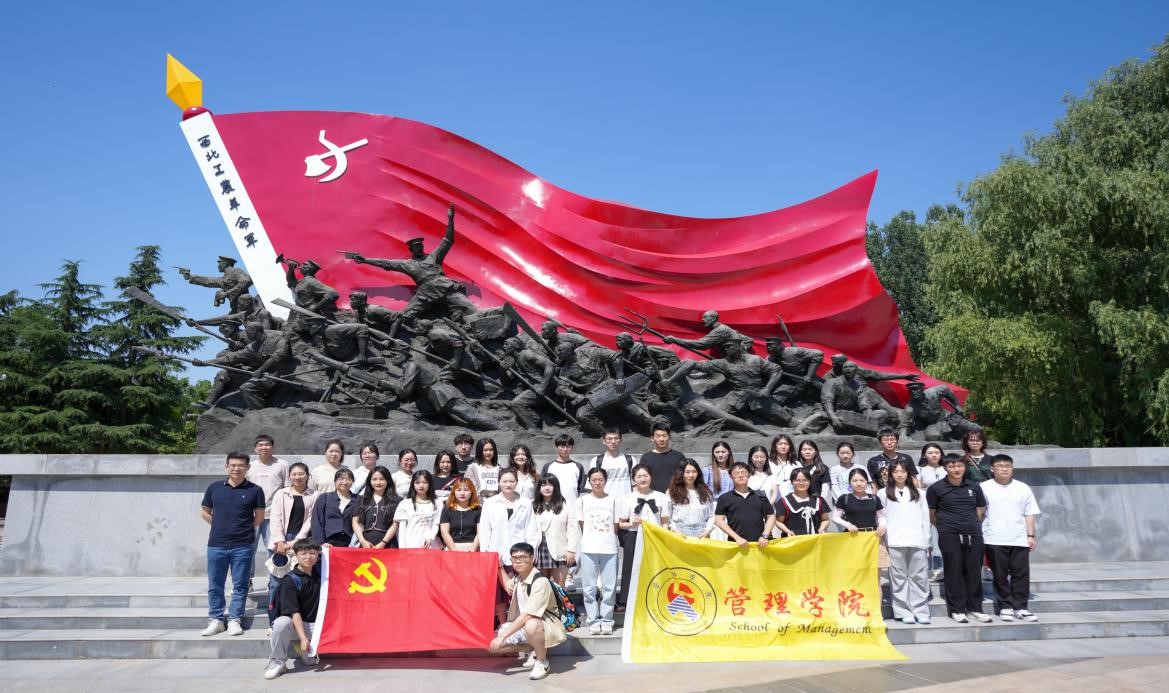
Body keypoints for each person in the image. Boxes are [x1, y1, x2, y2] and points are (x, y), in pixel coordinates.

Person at [200, 452, 265, 637]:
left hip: (243, 545)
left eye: (241, 465)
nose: (237, 468)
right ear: (226, 467)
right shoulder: (214, 488)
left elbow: (259, 516)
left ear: (248, 468)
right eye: (233, 465)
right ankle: (216, 619)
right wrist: (218, 525)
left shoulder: (255, 490)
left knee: (240, 585)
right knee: (215, 584)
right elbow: (204, 511)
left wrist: (245, 528)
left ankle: (235, 619)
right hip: (216, 544)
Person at [488, 542, 568, 681]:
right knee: (491, 646)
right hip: (526, 625)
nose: (518, 561)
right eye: (515, 558)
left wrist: (503, 636)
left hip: (545, 625)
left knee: (531, 624)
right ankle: (533, 648)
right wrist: (500, 566)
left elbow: (528, 615)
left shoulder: (540, 581)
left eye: (523, 557)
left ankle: (542, 661)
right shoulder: (519, 578)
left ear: (532, 559)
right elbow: (508, 586)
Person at [926, 455, 990, 623]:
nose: (956, 469)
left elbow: (980, 510)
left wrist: (971, 525)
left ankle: (975, 608)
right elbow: (932, 514)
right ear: (945, 468)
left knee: (974, 571)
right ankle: (957, 609)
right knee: (953, 571)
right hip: (949, 534)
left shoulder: (974, 486)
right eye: (952, 466)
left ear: (964, 467)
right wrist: (945, 527)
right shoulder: (936, 488)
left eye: (959, 466)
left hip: (973, 533)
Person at [981, 454, 1041, 622]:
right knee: (999, 575)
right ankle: (1005, 607)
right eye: (1000, 466)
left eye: (1008, 466)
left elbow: (1030, 513)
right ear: (992, 469)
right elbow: (979, 513)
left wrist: (1030, 535)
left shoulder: (1023, 488)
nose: (1004, 469)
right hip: (993, 537)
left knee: (1021, 574)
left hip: (1019, 538)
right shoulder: (984, 487)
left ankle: (1021, 607)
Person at [480, 468, 541, 623]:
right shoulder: (490, 503)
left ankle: (520, 624)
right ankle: (503, 624)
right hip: (497, 552)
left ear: (516, 482)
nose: (508, 484)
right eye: (504, 481)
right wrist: (486, 552)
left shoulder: (525, 503)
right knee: (499, 594)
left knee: (520, 592)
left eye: (511, 481)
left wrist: (530, 553)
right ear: (498, 483)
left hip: (520, 554)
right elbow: (485, 529)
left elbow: (531, 530)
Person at [263, 538, 322, 680]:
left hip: (317, 625)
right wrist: (303, 638)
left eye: (312, 553)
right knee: (281, 623)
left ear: (318, 555)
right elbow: (294, 612)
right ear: (295, 555)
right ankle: (278, 661)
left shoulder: (322, 574)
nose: (308, 557)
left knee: (310, 661)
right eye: (303, 554)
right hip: (296, 626)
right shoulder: (290, 580)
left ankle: (305, 649)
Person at [266, 462, 317, 623]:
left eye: (301, 474)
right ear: (289, 476)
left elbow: (310, 521)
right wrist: (280, 540)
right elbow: (275, 518)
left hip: (302, 542)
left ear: (308, 476)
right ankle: (274, 621)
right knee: (276, 583)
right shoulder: (281, 494)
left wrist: (296, 541)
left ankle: (296, 619)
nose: (297, 477)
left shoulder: (314, 495)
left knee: (298, 581)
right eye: (294, 474)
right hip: (279, 541)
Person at [617, 464, 671, 609]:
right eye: (639, 476)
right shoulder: (627, 498)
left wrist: (664, 538)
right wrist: (631, 524)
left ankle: (656, 598)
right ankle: (626, 600)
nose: (642, 479)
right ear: (633, 479)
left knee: (655, 567)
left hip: (655, 537)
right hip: (633, 536)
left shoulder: (661, 497)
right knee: (630, 568)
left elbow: (665, 522)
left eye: (645, 476)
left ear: (651, 477)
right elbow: (620, 524)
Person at [884, 460, 932, 625]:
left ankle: (920, 610)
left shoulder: (920, 493)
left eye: (903, 471)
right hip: (894, 541)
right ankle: (903, 611)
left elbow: (925, 518)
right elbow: (882, 518)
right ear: (890, 474)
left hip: (917, 540)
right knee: (898, 578)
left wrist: (927, 540)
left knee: (919, 577)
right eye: (896, 471)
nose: (899, 474)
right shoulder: (883, 493)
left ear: (908, 474)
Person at [576, 467, 620, 634]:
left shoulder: (614, 500)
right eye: (594, 480)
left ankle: (607, 619)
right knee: (589, 587)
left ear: (605, 481)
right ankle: (593, 619)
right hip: (589, 548)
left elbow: (615, 525)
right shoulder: (582, 501)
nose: (597, 483)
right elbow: (582, 524)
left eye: (600, 479)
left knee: (609, 587)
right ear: (589, 481)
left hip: (609, 548)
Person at [248, 434, 289, 585]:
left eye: (267, 445)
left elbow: (287, 488)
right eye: (260, 445)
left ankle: (273, 581)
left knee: (273, 548)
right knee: (248, 548)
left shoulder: (282, 464)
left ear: (273, 447)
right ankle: (247, 581)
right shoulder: (249, 466)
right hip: (251, 515)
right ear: (255, 448)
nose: (264, 447)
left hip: (274, 514)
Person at [714, 462, 776, 548]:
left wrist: (765, 535)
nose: (740, 475)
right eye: (736, 473)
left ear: (749, 475)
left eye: (743, 472)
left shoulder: (760, 496)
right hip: (736, 545)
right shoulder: (724, 498)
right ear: (731, 477)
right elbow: (719, 520)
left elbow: (771, 516)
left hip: (760, 545)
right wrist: (737, 538)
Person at [532, 475, 580, 586]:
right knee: (541, 585)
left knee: (560, 584)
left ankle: (561, 599)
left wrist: (571, 550)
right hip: (539, 548)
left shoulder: (566, 504)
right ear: (539, 487)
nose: (547, 488)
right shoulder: (532, 505)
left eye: (550, 485)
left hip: (560, 548)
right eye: (543, 485)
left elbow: (573, 529)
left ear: (556, 487)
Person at [391, 470, 443, 549]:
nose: (421, 486)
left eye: (425, 482)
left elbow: (436, 524)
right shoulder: (405, 503)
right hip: (411, 546)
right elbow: (401, 529)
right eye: (417, 482)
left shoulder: (438, 503)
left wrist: (430, 538)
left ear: (430, 484)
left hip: (431, 546)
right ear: (413, 484)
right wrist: (402, 548)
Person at [917, 443, 947, 580]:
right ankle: (933, 567)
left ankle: (944, 567)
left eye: (937, 452)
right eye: (930, 453)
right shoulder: (919, 470)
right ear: (924, 455)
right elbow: (918, 489)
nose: (934, 455)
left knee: (943, 538)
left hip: (946, 507)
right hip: (927, 508)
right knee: (930, 538)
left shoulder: (946, 468)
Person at [351, 466, 399, 549]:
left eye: (382, 479)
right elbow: (355, 521)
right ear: (369, 481)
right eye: (374, 479)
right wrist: (362, 541)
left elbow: (395, 524)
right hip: (366, 544)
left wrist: (383, 543)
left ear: (388, 480)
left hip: (389, 544)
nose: (378, 482)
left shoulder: (397, 500)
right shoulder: (362, 499)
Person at [774, 468, 828, 537]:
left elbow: (825, 520)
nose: (801, 483)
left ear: (810, 481)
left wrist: (821, 529)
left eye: (805, 480)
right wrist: (787, 531)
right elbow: (778, 521)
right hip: (793, 541)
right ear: (791, 482)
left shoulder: (818, 500)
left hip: (815, 540)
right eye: (797, 480)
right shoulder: (784, 501)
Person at [668, 459, 716, 538]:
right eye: (687, 472)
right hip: (680, 532)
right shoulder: (672, 492)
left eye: (694, 472)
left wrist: (707, 530)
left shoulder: (705, 491)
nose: (691, 475)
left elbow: (712, 515)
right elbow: (668, 516)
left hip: (702, 532)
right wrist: (675, 530)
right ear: (681, 473)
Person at [310, 468, 356, 548]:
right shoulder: (325, 498)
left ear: (352, 482)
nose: (344, 482)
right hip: (328, 543)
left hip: (351, 543)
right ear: (335, 481)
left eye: (348, 479)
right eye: (341, 479)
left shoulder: (358, 499)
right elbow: (317, 521)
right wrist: (321, 542)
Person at [639, 422, 685, 493]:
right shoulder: (646, 458)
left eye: (664, 435)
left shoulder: (679, 456)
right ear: (652, 438)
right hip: (652, 496)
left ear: (669, 437)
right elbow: (642, 478)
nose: (661, 439)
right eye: (657, 436)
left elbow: (684, 477)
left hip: (675, 494)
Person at [590, 426, 635, 500]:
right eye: (609, 439)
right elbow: (592, 486)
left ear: (620, 440)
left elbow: (635, 484)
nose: (613, 442)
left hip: (626, 502)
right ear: (604, 441)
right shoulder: (596, 461)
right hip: (605, 502)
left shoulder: (630, 460)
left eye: (616, 438)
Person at [541, 433, 587, 504]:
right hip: (552, 505)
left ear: (572, 447)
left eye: (568, 446)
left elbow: (582, 489)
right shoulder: (548, 466)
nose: (565, 449)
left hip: (573, 505)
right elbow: (542, 486)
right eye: (562, 446)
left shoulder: (578, 466)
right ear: (557, 447)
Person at [440, 478, 482, 551]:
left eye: (466, 490)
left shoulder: (478, 509)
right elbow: (444, 532)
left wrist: (472, 551)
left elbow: (480, 532)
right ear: (454, 492)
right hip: (452, 548)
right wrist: (455, 551)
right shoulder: (447, 508)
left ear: (472, 492)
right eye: (459, 490)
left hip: (473, 548)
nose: (462, 493)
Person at [768, 435, 800, 499]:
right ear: (775, 446)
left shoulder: (797, 464)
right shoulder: (768, 463)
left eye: (786, 444)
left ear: (790, 447)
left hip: (791, 500)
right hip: (771, 500)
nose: (783, 446)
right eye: (780, 444)